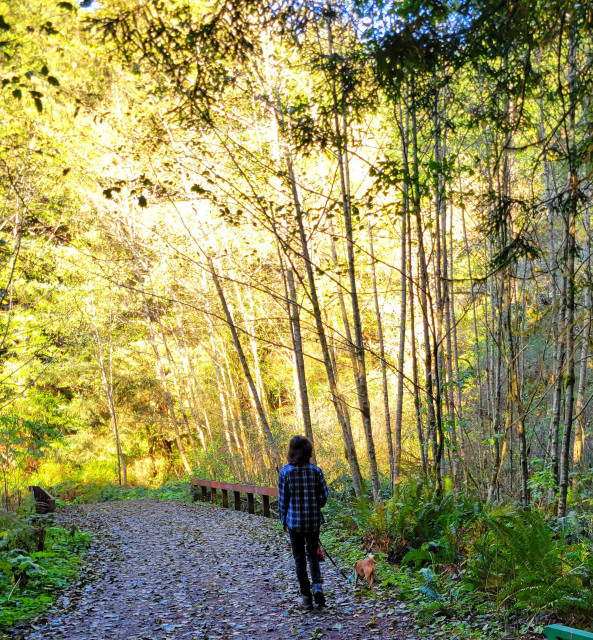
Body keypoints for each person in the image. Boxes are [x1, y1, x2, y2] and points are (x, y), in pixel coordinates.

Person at [278, 435, 329, 610]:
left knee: (299, 559)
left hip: (294, 523)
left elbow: (283, 501)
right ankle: (317, 587)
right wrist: (314, 504)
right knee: (313, 554)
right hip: (313, 522)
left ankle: (306, 599)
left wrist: (283, 520)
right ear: (308, 451)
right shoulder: (316, 471)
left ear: (291, 452)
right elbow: (324, 498)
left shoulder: (285, 472)